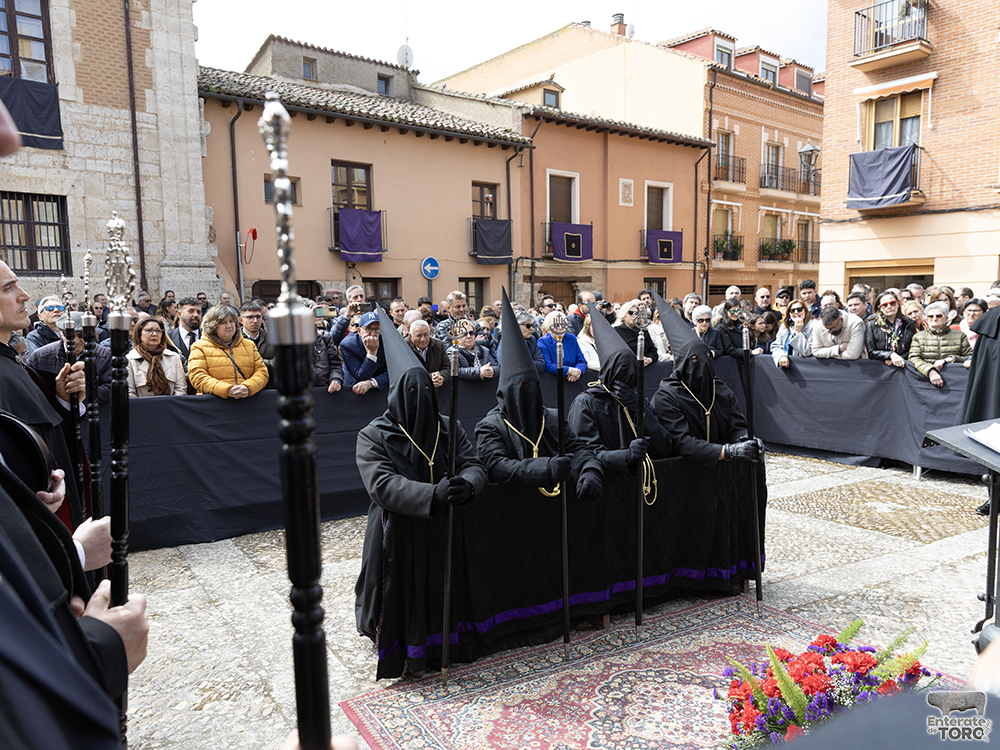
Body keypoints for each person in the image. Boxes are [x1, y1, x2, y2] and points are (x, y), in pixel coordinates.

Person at [354, 305, 487, 679]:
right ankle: (409, 652)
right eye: (409, 391)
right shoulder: (374, 435)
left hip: (446, 527)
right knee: (407, 594)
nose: (417, 397)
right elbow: (382, 485)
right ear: (396, 394)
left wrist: (467, 485)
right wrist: (431, 495)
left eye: (423, 390)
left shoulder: (449, 426)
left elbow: (474, 463)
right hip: (399, 532)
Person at [475, 290, 603, 500]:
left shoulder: (550, 418)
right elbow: (497, 466)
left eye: (533, 384)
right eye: (523, 385)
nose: (529, 390)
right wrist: (545, 468)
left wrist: (590, 469)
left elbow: (578, 448)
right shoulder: (491, 426)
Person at [649, 292, 762, 466]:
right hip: (685, 469)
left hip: (721, 471)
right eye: (694, 360)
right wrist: (727, 452)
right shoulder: (666, 396)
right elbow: (681, 441)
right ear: (683, 363)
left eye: (707, 357)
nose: (702, 363)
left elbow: (737, 425)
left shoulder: (721, 390)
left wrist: (745, 439)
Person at [567, 304, 668, 477]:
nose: (627, 373)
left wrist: (640, 410)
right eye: (622, 368)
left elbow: (665, 446)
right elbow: (583, 452)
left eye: (631, 368)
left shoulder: (637, 399)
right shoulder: (586, 403)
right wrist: (624, 456)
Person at [26, 312, 113, 404]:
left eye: (81, 335)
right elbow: (32, 390)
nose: (75, 341)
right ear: (61, 334)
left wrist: (82, 392)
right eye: (69, 335)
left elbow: (111, 389)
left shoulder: (105, 355)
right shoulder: (40, 357)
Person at [187, 305, 269, 399]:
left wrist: (248, 387)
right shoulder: (199, 347)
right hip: (213, 404)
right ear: (213, 326)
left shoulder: (249, 345)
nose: (229, 326)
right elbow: (197, 377)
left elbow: (262, 372)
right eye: (223, 323)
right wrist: (227, 390)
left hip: (246, 402)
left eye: (231, 321)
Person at [908, 302, 972, 387]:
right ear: (926, 318)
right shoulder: (918, 336)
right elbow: (913, 358)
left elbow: (969, 357)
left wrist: (949, 359)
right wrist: (930, 371)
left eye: (938, 316)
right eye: (931, 316)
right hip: (925, 381)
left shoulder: (960, 335)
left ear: (946, 318)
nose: (934, 319)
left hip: (954, 382)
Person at [126, 317, 187, 397]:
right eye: (149, 330)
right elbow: (130, 393)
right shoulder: (130, 359)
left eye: (158, 331)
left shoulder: (174, 357)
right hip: (142, 407)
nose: (154, 334)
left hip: (170, 406)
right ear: (139, 333)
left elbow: (181, 389)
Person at [339, 311, 388, 394]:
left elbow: (393, 371)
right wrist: (372, 352)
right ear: (359, 331)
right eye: (368, 329)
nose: (372, 334)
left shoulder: (386, 341)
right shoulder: (348, 345)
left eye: (376, 329)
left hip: (380, 388)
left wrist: (372, 382)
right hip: (355, 388)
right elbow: (361, 376)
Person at [865, 291, 916, 367]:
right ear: (880, 308)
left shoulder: (909, 323)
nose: (889, 307)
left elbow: (914, 349)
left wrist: (899, 358)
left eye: (892, 303)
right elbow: (871, 351)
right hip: (880, 368)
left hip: (905, 366)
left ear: (898, 304)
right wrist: (890, 355)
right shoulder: (871, 324)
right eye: (884, 305)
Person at [537, 310, 588, 381]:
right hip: (553, 381)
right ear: (549, 328)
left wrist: (578, 371)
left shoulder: (571, 338)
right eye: (556, 325)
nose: (560, 328)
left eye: (563, 325)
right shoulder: (543, 341)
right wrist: (569, 370)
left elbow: (582, 361)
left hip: (574, 381)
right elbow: (547, 365)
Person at [494, 307, 546, 374]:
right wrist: (530, 363)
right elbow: (507, 367)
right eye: (528, 325)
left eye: (532, 325)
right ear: (517, 326)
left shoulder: (531, 339)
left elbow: (541, 365)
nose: (531, 328)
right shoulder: (506, 342)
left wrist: (522, 363)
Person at [772, 298, 816, 368]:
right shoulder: (784, 326)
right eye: (792, 310)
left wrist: (798, 333)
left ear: (805, 310)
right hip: (787, 368)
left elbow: (808, 351)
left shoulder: (814, 325)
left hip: (806, 367)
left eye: (799, 309)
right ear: (789, 313)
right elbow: (776, 346)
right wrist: (781, 356)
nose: (796, 312)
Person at [613, 299, 658, 365]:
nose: (634, 316)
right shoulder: (616, 331)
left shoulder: (643, 330)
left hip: (646, 370)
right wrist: (635, 360)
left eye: (637, 313)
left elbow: (653, 351)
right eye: (631, 313)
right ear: (624, 314)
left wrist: (648, 359)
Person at [408, 319, 449, 387]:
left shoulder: (438, 345)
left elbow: (447, 368)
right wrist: (429, 378)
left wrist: (440, 377)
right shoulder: (404, 347)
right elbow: (407, 375)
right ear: (410, 336)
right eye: (419, 336)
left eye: (426, 334)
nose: (423, 339)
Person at [168, 296, 203, 363]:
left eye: (198, 312)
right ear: (179, 314)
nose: (196, 315)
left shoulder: (209, 336)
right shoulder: (169, 338)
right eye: (191, 311)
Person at [311, 322, 344, 393]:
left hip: (326, 391)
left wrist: (335, 380)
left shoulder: (324, 337)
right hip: (301, 395)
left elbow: (335, 365)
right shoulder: (286, 341)